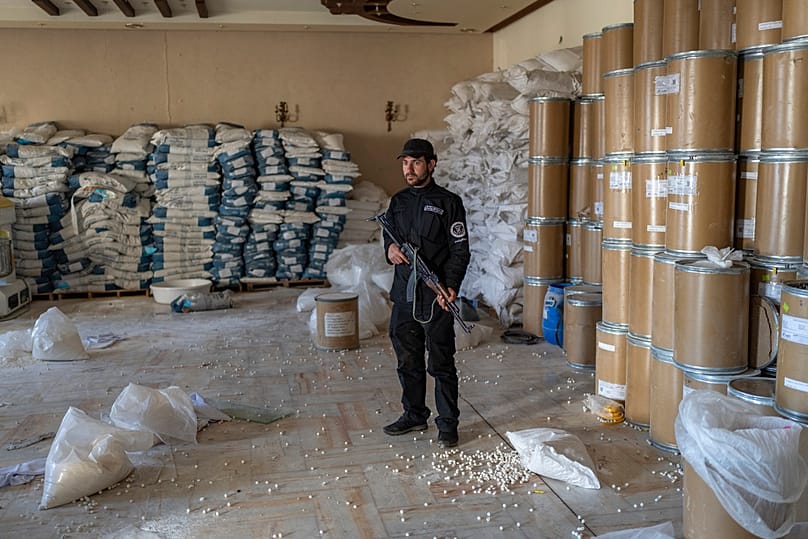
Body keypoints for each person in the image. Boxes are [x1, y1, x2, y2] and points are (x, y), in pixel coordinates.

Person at [381, 138, 471, 448]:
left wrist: (451, 286)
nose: (409, 169)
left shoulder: (449, 202)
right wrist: (390, 249)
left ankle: (447, 424)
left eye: (416, 162)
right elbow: (389, 235)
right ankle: (414, 414)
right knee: (407, 360)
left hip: (435, 297)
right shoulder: (398, 201)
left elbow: (460, 251)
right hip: (404, 296)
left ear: (431, 164)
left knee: (441, 363)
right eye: (405, 163)